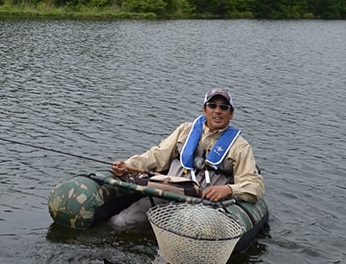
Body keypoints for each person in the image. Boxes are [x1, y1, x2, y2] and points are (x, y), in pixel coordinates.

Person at [108, 88, 264, 229]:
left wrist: (228, 189)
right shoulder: (185, 130)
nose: (218, 111)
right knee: (120, 221)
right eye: (212, 106)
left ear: (231, 114)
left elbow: (254, 185)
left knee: (178, 237)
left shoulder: (240, 147)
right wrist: (127, 165)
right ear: (204, 110)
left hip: (201, 208)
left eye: (224, 107)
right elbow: (157, 155)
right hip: (167, 195)